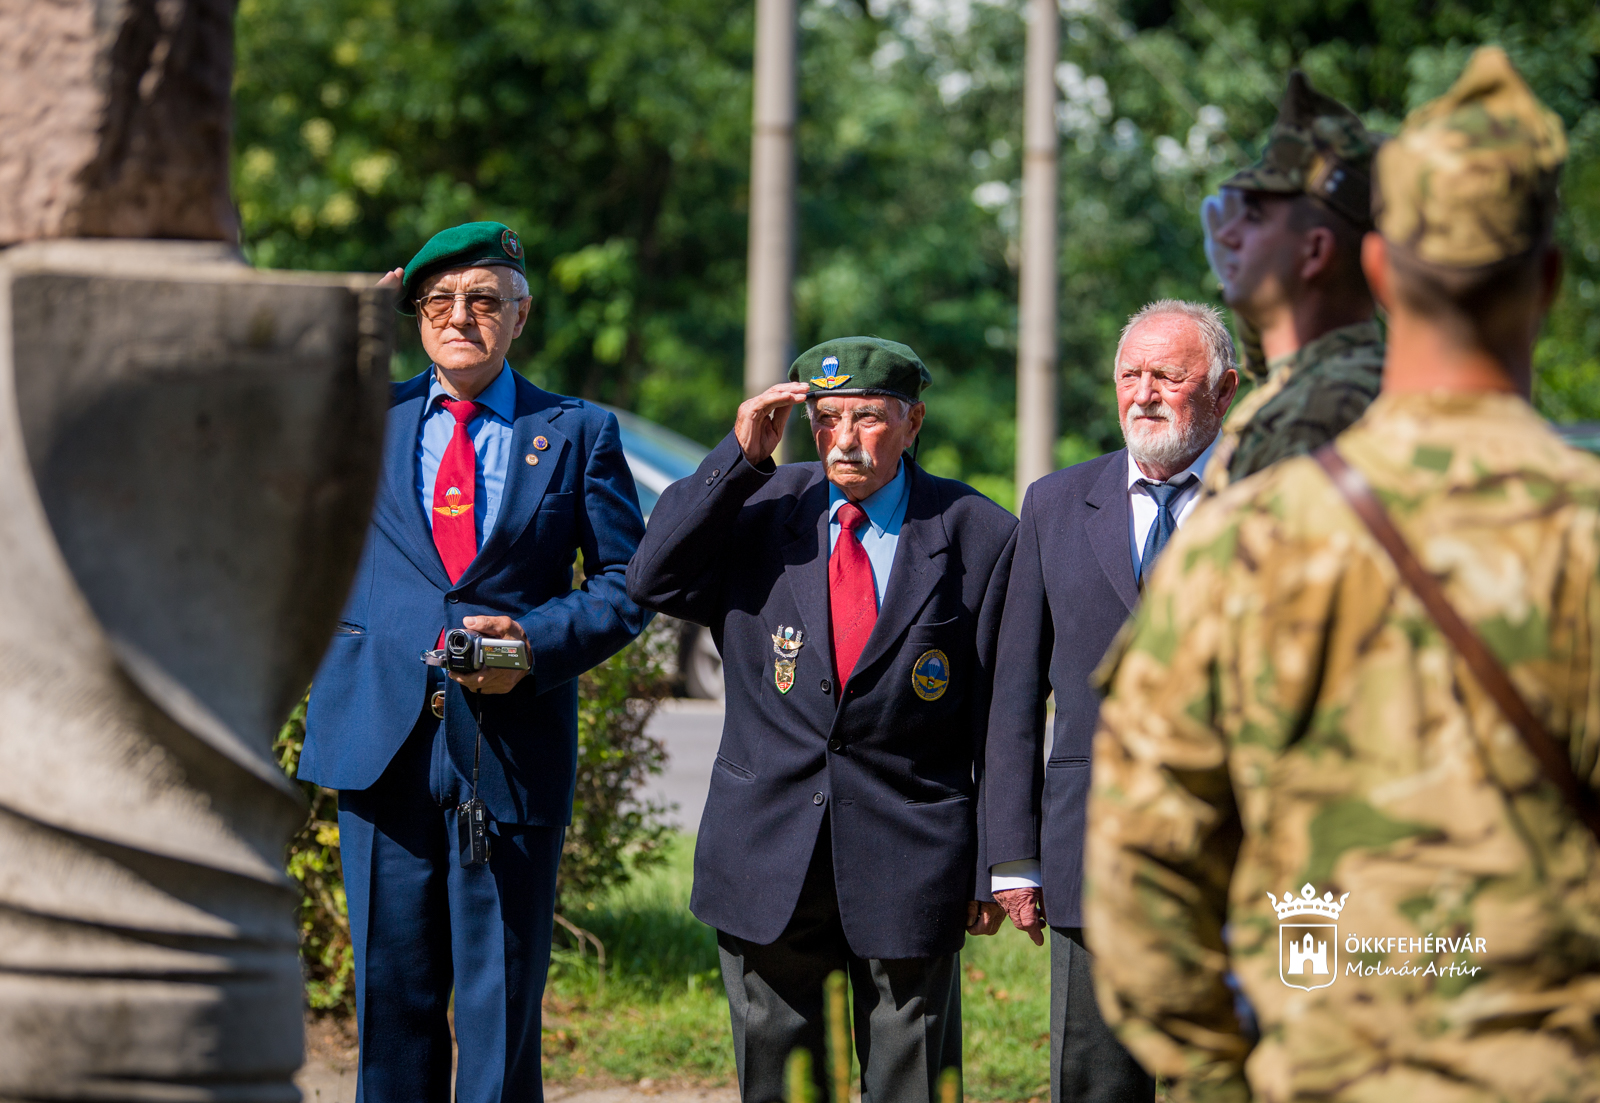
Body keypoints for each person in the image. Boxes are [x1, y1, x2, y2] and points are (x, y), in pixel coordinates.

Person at [1086, 49, 1600, 1102]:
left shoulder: (1245, 536)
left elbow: (1139, 862)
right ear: (1547, 282)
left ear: (1377, 272)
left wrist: (1221, 1078)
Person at [298, 222, 651, 1103]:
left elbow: (627, 584)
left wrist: (531, 643)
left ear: (519, 316)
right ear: (414, 313)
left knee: (501, 1010)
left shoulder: (576, 432)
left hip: (512, 749)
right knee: (391, 1008)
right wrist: (344, 322)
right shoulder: (358, 417)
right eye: (439, 300)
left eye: (484, 299)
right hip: (379, 741)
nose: (460, 316)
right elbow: (240, 427)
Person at [627, 337, 1015, 1103]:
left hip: (912, 857)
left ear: (913, 422)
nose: (844, 439)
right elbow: (651, 577)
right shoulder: (761, 505)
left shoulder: (976, 531)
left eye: (867, 418)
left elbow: (998, 715)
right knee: (782, 1081)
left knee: (910, 1082)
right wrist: (739, 457)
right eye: (827, 419)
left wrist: (990, 863)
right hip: (768, 850)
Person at [985, 301, 1239, 1101]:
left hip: (1238, 859)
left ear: (1225, 390)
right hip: (1090, 855)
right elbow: (1014, 693)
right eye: (1131, 374)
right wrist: (1013, 856)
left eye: (1169, 375)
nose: (1145, 393)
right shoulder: (1055, 503)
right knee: (1095, 1081)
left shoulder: (1275, 502)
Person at [1202, 70, 1384, 494]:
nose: (1226, 235)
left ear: (1315, 252)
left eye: (1254, 218)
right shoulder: (1310, 391)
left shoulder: (1321, 412)